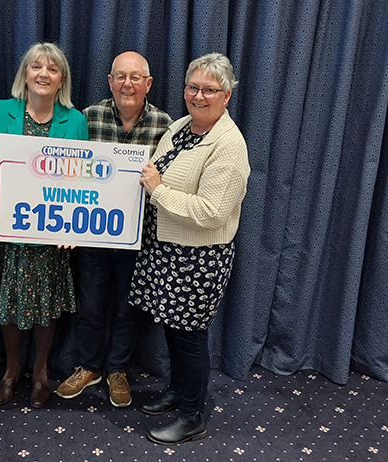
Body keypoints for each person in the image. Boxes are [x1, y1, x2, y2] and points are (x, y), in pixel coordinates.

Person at [132, 53, 250, 445]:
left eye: (209, 90)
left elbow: (213, 213)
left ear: (227, 95)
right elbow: (156, 169)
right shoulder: (182, 126)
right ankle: (179, 391)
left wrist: (158, 191)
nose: (198, 96)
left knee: (190, 336)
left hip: (198, 257)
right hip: (166, 247)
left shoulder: (229, 145)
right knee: (171, 326)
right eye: (192, 87)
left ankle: (192, 415)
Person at [55, 52, 172, 408]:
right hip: (92, 236)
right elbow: (64, 170)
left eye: (136, 78)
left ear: (148, 84)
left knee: (127, 308)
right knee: (90, 305)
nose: (127, 84)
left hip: (140, 239)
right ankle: (89, 365)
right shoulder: (87, 118)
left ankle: (117, 369)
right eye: (120, 77)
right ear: (110, 81)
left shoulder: (165, 126)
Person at [0, 42, 88, 409]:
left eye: (52, 69)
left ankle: (40, 372)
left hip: (50, 234)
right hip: (7, 229)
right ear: (25, 75)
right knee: (8, 304)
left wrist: (73, 227)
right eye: (36, 67)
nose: (43, 74)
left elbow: (81, 183)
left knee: (46, 306)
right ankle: (12, 370)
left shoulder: (76, 121)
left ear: (61, 80)